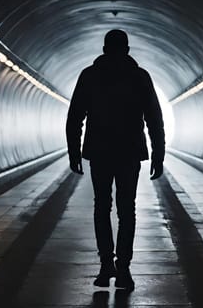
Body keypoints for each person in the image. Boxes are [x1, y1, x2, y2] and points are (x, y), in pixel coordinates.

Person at [66, 29, 165, 291]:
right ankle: (123, 269)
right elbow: (154, 118)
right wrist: (158, 153)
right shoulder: (139, 77)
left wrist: (74, 152)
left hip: (99, 152)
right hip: (130, 152)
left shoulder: (90, 76)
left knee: (102, 208)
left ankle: (106, 265)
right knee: (126, 210)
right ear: (127, 50)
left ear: (104, 49)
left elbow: (75, 116)